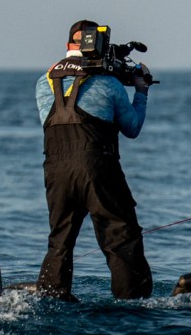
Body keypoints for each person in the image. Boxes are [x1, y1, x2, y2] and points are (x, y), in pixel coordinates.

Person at [35, 20, 154, 301]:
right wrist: (141, 91)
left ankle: (51, 299)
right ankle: (132, 304)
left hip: (56, 170)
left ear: (68, 45)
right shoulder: (108, 84)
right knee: (120, 235)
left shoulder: (44, 81)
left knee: (60, 239)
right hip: (97, 166)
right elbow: (132, 127)